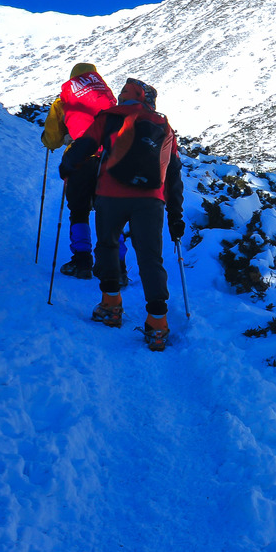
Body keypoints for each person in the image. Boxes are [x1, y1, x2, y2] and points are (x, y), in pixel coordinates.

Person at [60, 78, 186, 351]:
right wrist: (176, 215)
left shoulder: (109, 117)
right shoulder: (164, 126)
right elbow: (173, 173)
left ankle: (111, 306)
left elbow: (85, 146)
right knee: (150, 258)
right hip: (151, 201)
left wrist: (68, 166)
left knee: (107, 245)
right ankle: (157, 324)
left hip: (110, 195)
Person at [41, 62, 119, 278]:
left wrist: (54, 139)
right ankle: (118, 267)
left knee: (79, 211)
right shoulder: (109, 98)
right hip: (111, 159)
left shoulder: (65, 99)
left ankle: (82, 261)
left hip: (81, 160)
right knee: (112, 212)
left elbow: (52, 139)